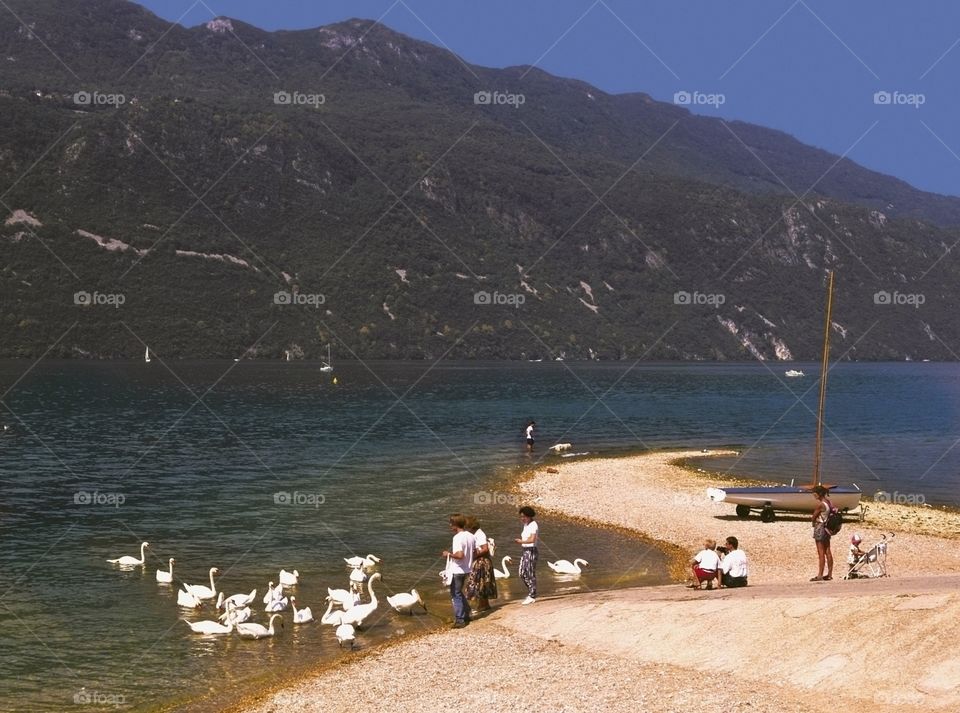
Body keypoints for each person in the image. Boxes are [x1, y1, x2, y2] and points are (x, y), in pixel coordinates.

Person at [441, 513, 475, 628]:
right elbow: (474, 552)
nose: (450, 525)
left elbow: (460, 555)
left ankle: (460, 620)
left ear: (456, 524)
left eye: (451, 523)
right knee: (459, 592)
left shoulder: (457, 538)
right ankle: (466, 614)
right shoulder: (471, 536)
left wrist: (448, 554)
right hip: (467, 569)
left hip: (458, 570)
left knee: (455, 594)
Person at [465, 515, 497, 613]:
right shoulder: (476, 534)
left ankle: (482, 605)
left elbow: (485, 548)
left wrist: (474, 555)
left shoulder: (480, 534)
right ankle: (483, 605)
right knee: (482, 583)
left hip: (482, 562)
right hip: (480, 561)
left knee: (478, 583)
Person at [514, 506, 539, 604]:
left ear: (529, 516)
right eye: (521, 517)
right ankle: (531, 591)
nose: (522, 519)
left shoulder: (533, 525)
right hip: (525, 551)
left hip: (531, 550)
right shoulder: (526, 525)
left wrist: (521, 541)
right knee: (521, 573)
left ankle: (532, 595)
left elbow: (532, 539)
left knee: (529, 573)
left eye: (524, 517)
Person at [811, 485, 834, 581]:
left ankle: (820, 575)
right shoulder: (828, 502)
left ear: (818, 494)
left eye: (814, 494)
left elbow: (814, 517)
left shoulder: (821, 505)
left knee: (821, 553)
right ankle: (829, 574)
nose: (813, 495)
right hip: (827, 529)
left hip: (820, 527)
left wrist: (813, 523)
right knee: (827, 551)